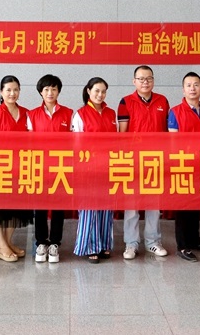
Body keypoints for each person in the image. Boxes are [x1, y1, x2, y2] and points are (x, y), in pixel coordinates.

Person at [117, 65, 169, 260]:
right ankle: (131, 244)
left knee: (153, 203)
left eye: (149, 78)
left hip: (155, 159)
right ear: (134, 81)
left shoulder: (162, 101)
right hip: (133, 160)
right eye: (141, 79)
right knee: (132, 205)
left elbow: (166, 131)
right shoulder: (125, 102)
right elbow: (122, 134)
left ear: (153, 80)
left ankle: (153, 242)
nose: (145, 82)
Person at [168, 72, 200, 262]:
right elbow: (173, 142)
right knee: (183, 206)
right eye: (188, 85)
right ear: (183, 90)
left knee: (196, 203)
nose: (192, 88)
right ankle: (182, 246)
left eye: (196, 84)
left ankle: (195, 240)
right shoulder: (175, 111)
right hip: (183, 164)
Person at [0, 75, 33, 262]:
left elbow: (32, 140)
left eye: (16, 90)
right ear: (1, 92)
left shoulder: (27, 113)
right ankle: (1, 245)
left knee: (16, 206)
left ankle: (8, 241)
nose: (12, 93)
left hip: (21, 165)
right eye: (8, 90)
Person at [27, 74, 73, 263]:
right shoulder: (31, 115)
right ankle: (41, 242)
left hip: (60, 165)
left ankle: (55, 243)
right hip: (39, 165)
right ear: (40, 92)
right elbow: (28, 141)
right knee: (39, 207)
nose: (50, 93)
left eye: (54, 89)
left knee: (58, 207)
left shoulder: (69, 113)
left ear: (58, 91)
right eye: (46, 89)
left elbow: (74, 140)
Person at [72, 77, 117, 263]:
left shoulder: (111, 113)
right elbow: (76, 144)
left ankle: (104, 244)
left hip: (107, 166)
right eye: (96, 91)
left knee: (106, 207)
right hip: (88, 167)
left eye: (103, 91)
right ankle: (89, 246)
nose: (100, 94)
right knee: (89, 208)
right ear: (88, 91)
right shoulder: (80, 114)